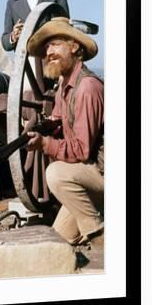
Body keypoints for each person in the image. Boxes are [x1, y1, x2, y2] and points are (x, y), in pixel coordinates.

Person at [26, 17, 104, 246]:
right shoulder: (63, 86)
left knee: (56, 173)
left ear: (74, 46)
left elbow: (80, 150)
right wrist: (48, 125)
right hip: (89, 175)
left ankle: (100, 236)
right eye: (47, 47)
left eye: (56, 44)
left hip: (106, 172)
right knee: (59, 242)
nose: (49, 52)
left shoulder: (87, 87)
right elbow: (60, 119)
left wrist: (44, 144)